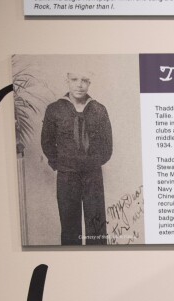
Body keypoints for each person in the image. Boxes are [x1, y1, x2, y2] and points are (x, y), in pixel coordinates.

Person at [41, 70, 112, 245]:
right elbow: (47, 142)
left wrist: (92, 163)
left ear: (90, 83)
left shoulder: (99, 110)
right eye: (74, 80)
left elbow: (107, 145)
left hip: (92, 176)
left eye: (85, 80)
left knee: (96, 226)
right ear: (67, 81)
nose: (79, 85)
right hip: (67, 176)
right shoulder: (54, 109)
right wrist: (61, 164)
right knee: (69, 225)